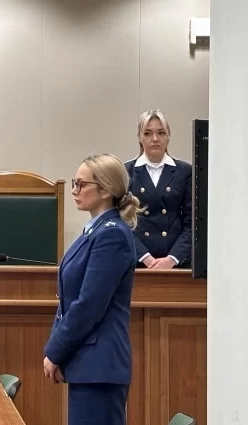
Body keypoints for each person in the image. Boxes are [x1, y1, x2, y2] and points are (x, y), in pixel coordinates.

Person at [43, 153, 141, 425]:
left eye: (82, 184)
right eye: (74, 182)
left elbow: (89, 305)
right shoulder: (95, 230)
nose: (74, 190)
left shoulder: (111, 234)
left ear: (106, 190)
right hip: (86, 363)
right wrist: (57, 351)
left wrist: (56, 350)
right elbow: (67, 300)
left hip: (100, 366)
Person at [124, 109, 192, 269]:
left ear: (168, 136)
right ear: (139, 137)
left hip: (176, 263)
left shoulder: (185, 171)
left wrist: (172, 259)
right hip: (138, 262)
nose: (155, 139)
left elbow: (192, 223)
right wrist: (146, 258)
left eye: (161, 133)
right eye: (148, 133)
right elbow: (122, 221)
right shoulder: (126, 172)